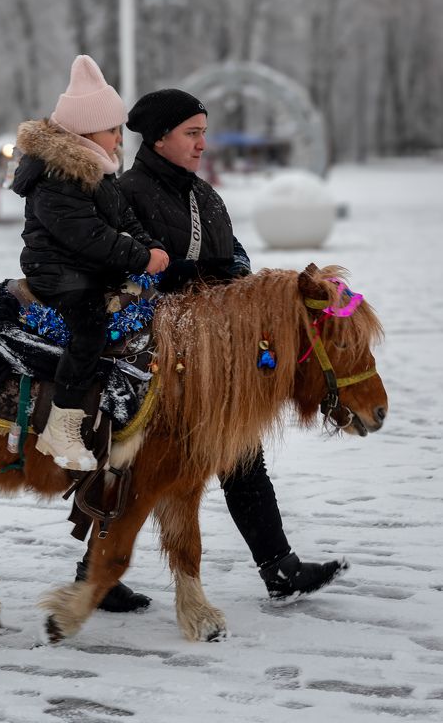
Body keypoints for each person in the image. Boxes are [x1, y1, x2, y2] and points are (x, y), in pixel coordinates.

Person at [75, 88, 346, 609]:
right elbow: (119, 270)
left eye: (204, 132)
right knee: (133, 463)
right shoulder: (126, 193)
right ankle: (95, 572)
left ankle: (279, 567)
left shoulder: (204, 196)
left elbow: (233, 255)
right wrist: (187, 276)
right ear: (160, 138)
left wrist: (241, 278)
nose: (202, 143)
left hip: (213, 353)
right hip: (154, 353)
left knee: (241, 454)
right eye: (192, 133)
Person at [12, 56, 169, 473]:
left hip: (87, 267)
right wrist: (140, 257)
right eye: (112, 130)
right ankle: (61, 423)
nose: (119, 138)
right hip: (60, 272)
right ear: (84, 132)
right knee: (90, 329)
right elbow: (86, 235)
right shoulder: (57, 175)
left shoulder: (99, 170)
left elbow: (124, 220)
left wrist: (151, 246)